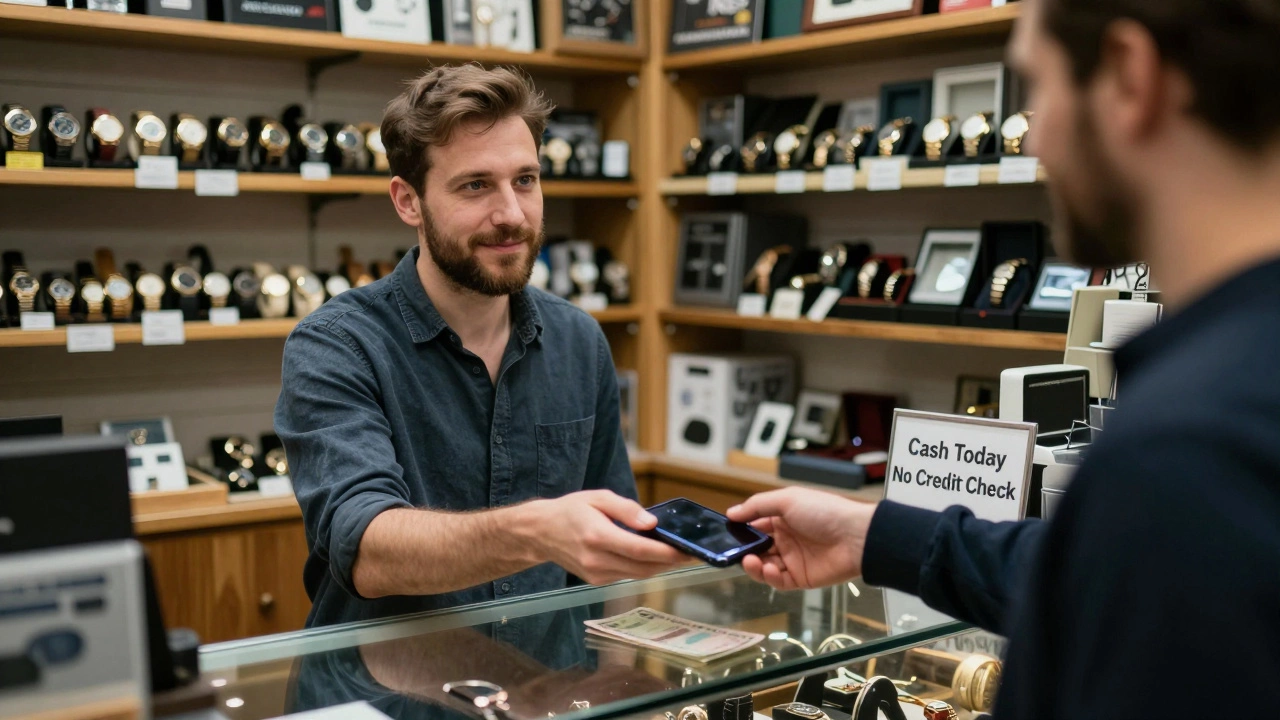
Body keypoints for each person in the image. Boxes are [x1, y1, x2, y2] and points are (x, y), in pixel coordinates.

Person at [728, 0, 1280, 716]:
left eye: (1036, 88)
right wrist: (874, 534)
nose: (1034, 138)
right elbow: (1094, 576)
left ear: (1128, 77)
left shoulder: (1186, 447)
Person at [275, 64, 684, 628]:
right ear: (408, 201)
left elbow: (609, 560)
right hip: (393, 700)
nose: (512, 215)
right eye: (475, 185)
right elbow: (365, 550)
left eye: (525, 180)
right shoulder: (337, 346)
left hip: (545, 692)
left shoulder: (578, 341)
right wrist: (538, 530)